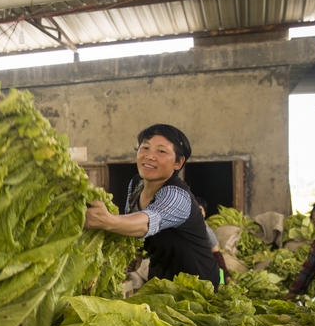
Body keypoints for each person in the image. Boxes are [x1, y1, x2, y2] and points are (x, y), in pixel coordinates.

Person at [84, 124, 221, 289]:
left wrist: (108, 221)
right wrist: (136, 252)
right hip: (160, 278)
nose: (149, 156)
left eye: (161, 151)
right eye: (145, 148)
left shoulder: (177, 196)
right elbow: (132, 218)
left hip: (198, 285)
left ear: (178, 162)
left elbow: (147, 221)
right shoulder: (136, 184)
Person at [196, 197, 232, 284]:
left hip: (204, 270)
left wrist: (226, 276)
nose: (197, 213)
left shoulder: (207, 231)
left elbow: (217, 254)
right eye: (194, 210)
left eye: (200, 210)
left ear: (205, 213)